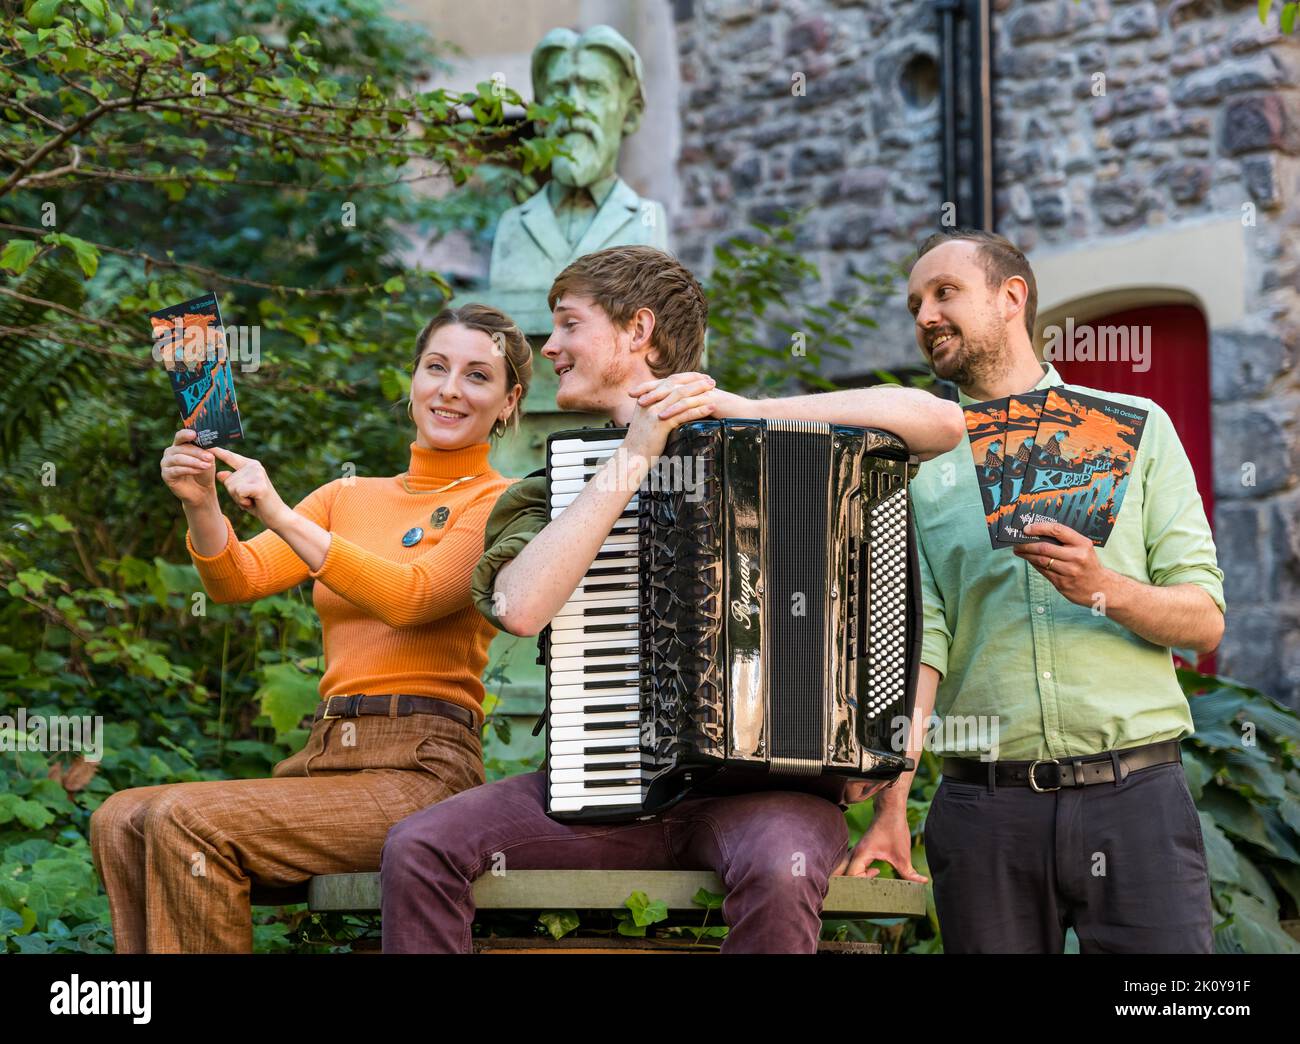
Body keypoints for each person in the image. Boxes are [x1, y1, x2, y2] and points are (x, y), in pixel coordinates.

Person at [380, 244, 966, 953]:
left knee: (782, 872)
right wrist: (632, 455)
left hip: (768, 799)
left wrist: (752, 408)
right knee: (419, 848)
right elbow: (522, 608)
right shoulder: (560, 488)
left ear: (637, 331)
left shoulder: (765, 441)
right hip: (608, 788)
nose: (550, 345)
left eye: (568, 324)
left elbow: (940, 422)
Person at [89, 304, 532, 953]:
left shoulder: (496, 502)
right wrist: (204, 505)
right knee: (118, 816)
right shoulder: (346, 497)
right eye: (436, 367)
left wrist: (274, 509)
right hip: (330, 755)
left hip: (423, 770)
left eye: (477, 376)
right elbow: (237, 578)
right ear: (412, 378)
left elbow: (411, 597)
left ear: (508, 399)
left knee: (189, 820)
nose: (449, 390)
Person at [843, 229, 1225, 954]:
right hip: (985, 812)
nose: (925, 314)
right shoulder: (918, 469)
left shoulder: (1134, 429)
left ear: (1011, 297)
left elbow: (1203, 620)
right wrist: (892, 806)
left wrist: (1102, 587)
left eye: (945, 292)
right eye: (916, 302)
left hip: (1136, 800)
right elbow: (922, 642)